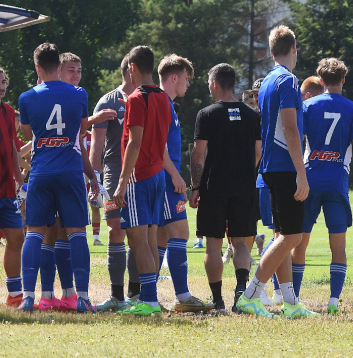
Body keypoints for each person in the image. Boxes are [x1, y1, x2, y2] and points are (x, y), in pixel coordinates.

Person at [236, 25, 319, 319]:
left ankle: (290, 302)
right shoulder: (289, 80)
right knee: (293, 237)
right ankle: (251, 294)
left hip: (270, 166)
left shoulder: (269, 80)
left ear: (272, 51)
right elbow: (291, 129)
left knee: (282, 234)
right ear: (294, 49)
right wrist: (301, 171)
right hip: (285, 167)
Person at [17, 43, 100, 312]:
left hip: (41, 172)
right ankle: (83, 297)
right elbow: (80, 127)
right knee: (76, 234)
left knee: (34, 234)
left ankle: (28, 296)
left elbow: (29, 133)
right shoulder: (79, 93)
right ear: (59, 67)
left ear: (38, 67)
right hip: (71, 171)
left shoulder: (27, 97)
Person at [290, 58, 353, 314]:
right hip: (336, 182)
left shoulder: (307, 106)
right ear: (343, 79)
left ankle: (294, 299)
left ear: (320, 81)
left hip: (309, 180)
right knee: (338, 244)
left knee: (299, 243)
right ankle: (334, 301)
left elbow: (295, 140)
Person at [189, 63, 262, 313]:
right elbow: (258, 153)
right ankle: (241, 295)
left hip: (214, 186)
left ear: (215, 84)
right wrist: (243, 172)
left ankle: (217, 300)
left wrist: (195, 186)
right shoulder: (252, 115)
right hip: (244, 186)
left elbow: (198, 154)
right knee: (241, 242)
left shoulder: (207, 114)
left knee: (213, 243)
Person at [112, 45, 173, 316]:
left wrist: (122, 182)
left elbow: (134, 143)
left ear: (132, 68)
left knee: (137, 241)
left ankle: (148, 300)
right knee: (148, 239)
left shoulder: (137, 98)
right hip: (158, 174)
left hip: (140, 177)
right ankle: (149, 299)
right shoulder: (163, 97)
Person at [155, 54, 212, 313]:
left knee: (161, 238)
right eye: (186, 79)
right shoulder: (162, 103)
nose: (188, 84)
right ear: (174, 77)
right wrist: (176, 176)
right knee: (180, 234)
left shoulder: (165, 102)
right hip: (167, 181)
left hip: (165, 179)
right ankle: (182, 296)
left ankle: (144, 292)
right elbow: (160, 147)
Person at [91, 57, 135, 311]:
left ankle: (136, 295)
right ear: (131, 70)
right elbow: (96, 144)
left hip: (140, 174)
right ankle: (116, 296)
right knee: (116, 230)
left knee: (139, 232)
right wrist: (94, 178)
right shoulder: (108, 101)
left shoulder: (147, 96)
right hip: (113, 172)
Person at [0, 66, 25, 307]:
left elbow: (13, 147)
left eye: (2, 82)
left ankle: (14, 295)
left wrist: (19, 178)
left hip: (7, 189)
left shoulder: (10, 111)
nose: (1, 87)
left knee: (17, 237)